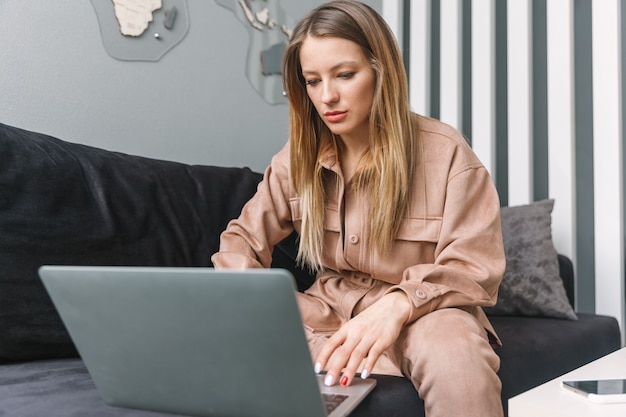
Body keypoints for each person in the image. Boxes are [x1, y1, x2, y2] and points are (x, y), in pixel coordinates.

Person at [211, 1, 506, 416]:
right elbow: (241, 239)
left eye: (345, 75)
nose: (327, 96)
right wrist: (252, 300)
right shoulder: (296, 158)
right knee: (216, 338)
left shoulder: (447, 154)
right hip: (326, 312)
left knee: (455, 357)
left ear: (380, 71)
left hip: (422, 314)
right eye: (312, 81)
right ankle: (358, 361)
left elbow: (474, 266)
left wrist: (397, 305)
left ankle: (371, 359)